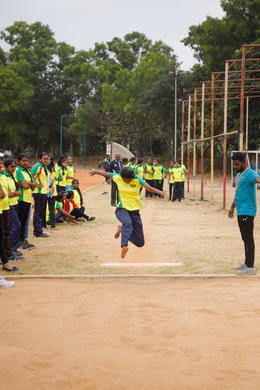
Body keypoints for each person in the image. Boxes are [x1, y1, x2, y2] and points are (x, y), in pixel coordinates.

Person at [90, 166, 165, 258]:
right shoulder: (118, 177)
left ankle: (122, 230)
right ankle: (124, 246)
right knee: (127, 223)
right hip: (122, 209)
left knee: (140, 242)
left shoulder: (137, 179)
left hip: (135, 212)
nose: (127, 181)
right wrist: (95, 171)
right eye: (125, 180)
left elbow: (149, 188)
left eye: (129, 180)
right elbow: (107, 174)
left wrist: (160, 192)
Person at [228, 152, 260, 275]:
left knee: (249, 239)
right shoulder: (239, 175)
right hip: (241, 210)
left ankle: (250, 267)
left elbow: (258, 179)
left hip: (248, 211)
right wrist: (232, 208)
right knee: (245, 239)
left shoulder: (250, 173)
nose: (235, 166)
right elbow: (238, 194)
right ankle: (246, 264)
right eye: (234, 164)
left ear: (243, 162)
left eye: (237, 164)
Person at [16, 153, 37, 246]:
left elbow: (33, 186)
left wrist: (30, 184)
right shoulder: (18, 170)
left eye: (26, 161)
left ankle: (23, 241)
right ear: (18, 161)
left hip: (28, 199)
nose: (25, 163)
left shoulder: (27, 171)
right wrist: (31, 184)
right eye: (23, 161)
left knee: (25, 222)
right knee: (20, 222)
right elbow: (24, 185)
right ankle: (19, 242)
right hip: (21, 199)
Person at [4, 159, 23, 259]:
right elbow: (7, 193)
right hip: (8, 205)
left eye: (15, 166)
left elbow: (17, 191)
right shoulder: (4, 177)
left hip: (15, 203)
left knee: (13, 227)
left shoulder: (12, 177)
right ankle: (10, 250)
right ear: (6, 167)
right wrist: (14, 192)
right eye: (12, 167)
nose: (14, 168)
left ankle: (13, 249)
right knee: (16, 226)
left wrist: (14, 192)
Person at [0, 181, 19, 272]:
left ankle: (6, 260)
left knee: (3, 235)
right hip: (4, 207)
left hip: (4, 208)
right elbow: (2, 194)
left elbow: (4, 194)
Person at [31, 152, 49, 238]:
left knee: (41, 212)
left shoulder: (43, 166)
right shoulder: (37, 166)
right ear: (40, 159)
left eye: (47, 158)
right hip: (38, 192)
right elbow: (30, 176)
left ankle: (39, 229)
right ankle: (37, 231)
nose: (46, 160)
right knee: (38, 212)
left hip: (43, 192)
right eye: (44, 159)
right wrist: (36, 185)